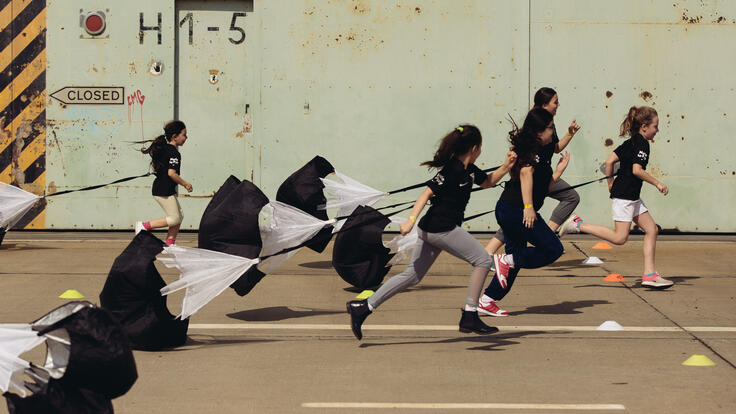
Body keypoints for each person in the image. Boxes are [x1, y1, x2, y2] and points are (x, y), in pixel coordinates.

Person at [346, 125, 517, 340]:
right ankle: (470, 315)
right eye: (481, 147)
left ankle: (363, 308)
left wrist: (506, 166)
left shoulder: (470, 171)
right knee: (483, 260)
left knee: (412, 276)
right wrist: (410, 221)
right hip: (440, 228)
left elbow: (488, 182)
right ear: (475, 148)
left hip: (433, 230)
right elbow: (426, 194)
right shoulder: (452, 169)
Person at [479, 88, 580, 316]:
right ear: (538, 132)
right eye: (550, 128)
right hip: (516, 210)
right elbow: (525, 173)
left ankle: (487, 299)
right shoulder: (532, 150)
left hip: (511, 209)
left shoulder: (542, 148)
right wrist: (529, 208)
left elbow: (542, 186)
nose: (553, 132)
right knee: (553, 249)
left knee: (513, 262)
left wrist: (558, 171)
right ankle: (504, 260)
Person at [559, 106, 673, 288]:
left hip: (630, 195)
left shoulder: (630, 142)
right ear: (644, 126)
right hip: (626, 196)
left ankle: (650, 275)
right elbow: (637, 170)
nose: (657, 130)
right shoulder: (642, 144)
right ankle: (578, 224)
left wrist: (611, 184)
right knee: (620, 238)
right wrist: (657, 183)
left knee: (651, 229)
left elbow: (610, 161)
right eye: (655, 126)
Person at [134, 121, 193, 246]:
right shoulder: (174, 153)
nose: (186, 138)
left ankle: (170, 244)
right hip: (163, 190)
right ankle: (143, 226)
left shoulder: (164, 149)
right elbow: (172, 173)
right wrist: (185, 184)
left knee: (179, 216)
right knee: (174, 218)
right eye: (184, 135)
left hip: (163, 189)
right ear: (174, 136)